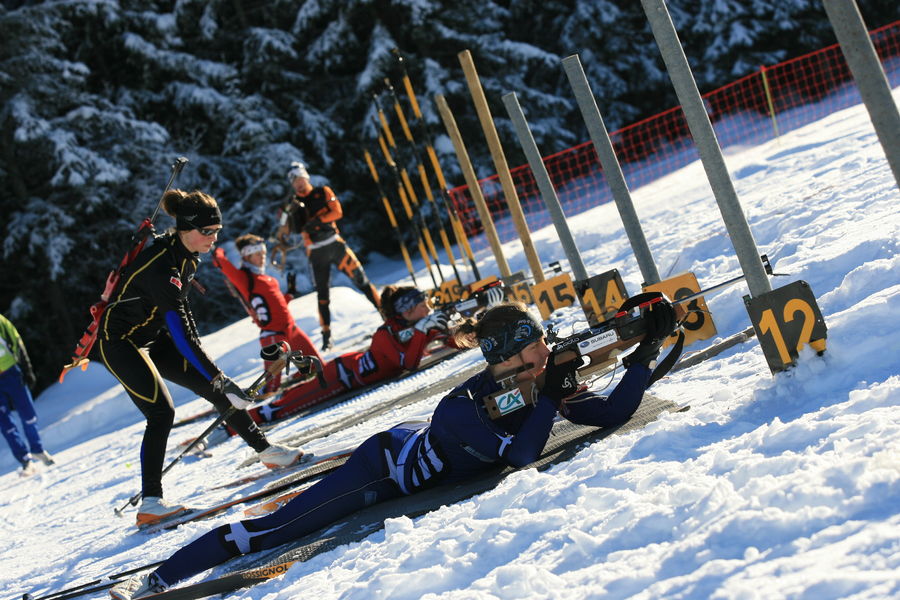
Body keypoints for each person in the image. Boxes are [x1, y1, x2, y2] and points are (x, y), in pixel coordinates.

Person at [109, 298, 677, 598]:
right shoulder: (463, 406)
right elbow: (521, 455)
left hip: (415, 447)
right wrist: (552, 396)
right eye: (532, 354)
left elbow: (609, 413)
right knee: (280, 529)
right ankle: (158, 579)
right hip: (383, 467)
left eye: (543, 348)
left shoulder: (533, 385)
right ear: (503, 359)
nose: (542, 359)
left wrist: (645, 352)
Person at [98, 189, 306, 527]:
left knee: (215, 390)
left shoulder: (187, 256)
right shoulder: (161, 267)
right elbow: (181, 332)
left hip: (153, 335)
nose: (213, 237)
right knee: (162, 412)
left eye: (217, 231)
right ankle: (151, 503)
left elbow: (186, 325)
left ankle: (266, 452)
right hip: (120, 342)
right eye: (207, 231)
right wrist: (220, 377)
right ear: (184, 230)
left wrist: (217, 380)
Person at [235, 285, 455, 429]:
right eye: (422, 306)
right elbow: (408, 363)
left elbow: (452, 341)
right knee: (289, 405)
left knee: (295, 396)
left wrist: (460, 324)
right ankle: (237, 423)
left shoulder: (418, 327)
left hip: (347, 374)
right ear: (407, 311)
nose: (428, 310)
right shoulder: (384, 333)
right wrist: (422, 331)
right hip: (342, 375)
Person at [278, 161, 381, 350]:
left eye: (300, 179)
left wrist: (317, 221)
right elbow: (287, 229)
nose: (299, 184)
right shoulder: (292, 204)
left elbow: (337, 212)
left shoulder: (322, 192)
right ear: (292, 184)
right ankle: (326, 336)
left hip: (335, 244)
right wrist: (287, 215)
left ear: (306, 177)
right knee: (322, 295)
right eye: (295, 182)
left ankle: (385, 313)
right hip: (316, 253)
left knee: (362, 281)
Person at [212, 234, 323, 394]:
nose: (263, 257)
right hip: (274, 337)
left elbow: (278, 307)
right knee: (271, 388)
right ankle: (255, 405)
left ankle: (301, 384)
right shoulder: (245, 278)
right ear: (247, 256)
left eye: (263, 253)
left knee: (316, 366)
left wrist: (290, 293)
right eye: (258, 254)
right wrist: (216, 245)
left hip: (292, 331)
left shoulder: (268, 279)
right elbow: (220, 262)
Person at [0, 314, 54, 475]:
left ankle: (37, 449)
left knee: (28, 415)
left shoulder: (1, 321)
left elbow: (17, 341)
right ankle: (25, 460)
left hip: (11, 373)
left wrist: (27, 368)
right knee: (6, 425)